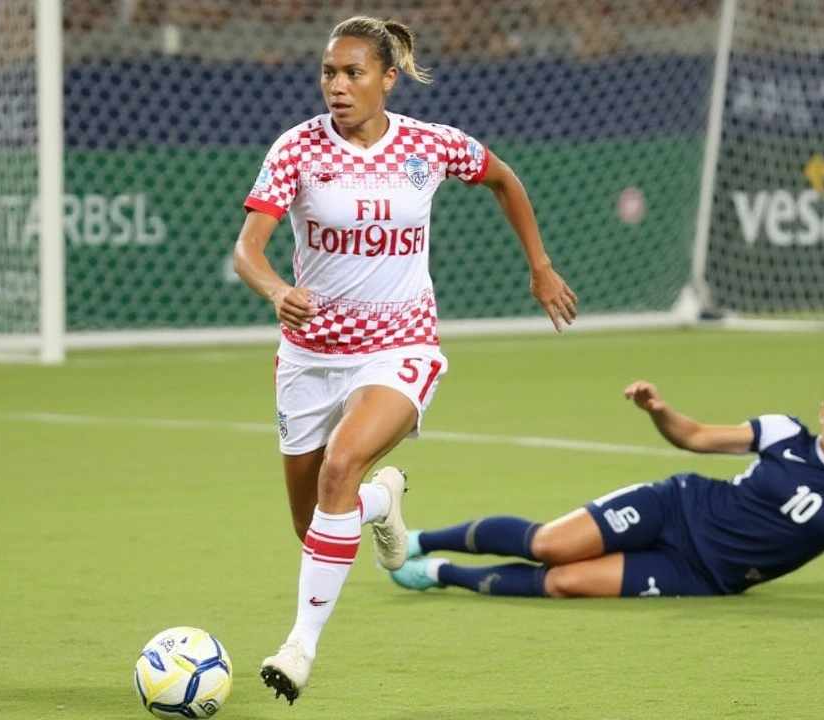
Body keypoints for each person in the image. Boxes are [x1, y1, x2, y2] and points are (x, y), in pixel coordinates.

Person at [232, 15, 578, 704]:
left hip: (401, 347)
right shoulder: (297, 149)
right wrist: (276, 290)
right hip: (309, 358)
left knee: (339, 465)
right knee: (314, 526)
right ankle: (381, 503)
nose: (337, 85)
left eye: (353, 72)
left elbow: (504, 179)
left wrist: (539, 266)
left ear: (388, 77)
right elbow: (248, 247)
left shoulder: (431, 146)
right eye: (329, 71)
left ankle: (299, 648)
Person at [387, 374, 824, 599]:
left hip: (705, 575)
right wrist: (659, 410)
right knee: (549, 546)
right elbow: (697, 437)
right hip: (676, 506)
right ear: (823, 411)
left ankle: (439, 572)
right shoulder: (781, 431)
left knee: (564, 585)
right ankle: (415, 535)